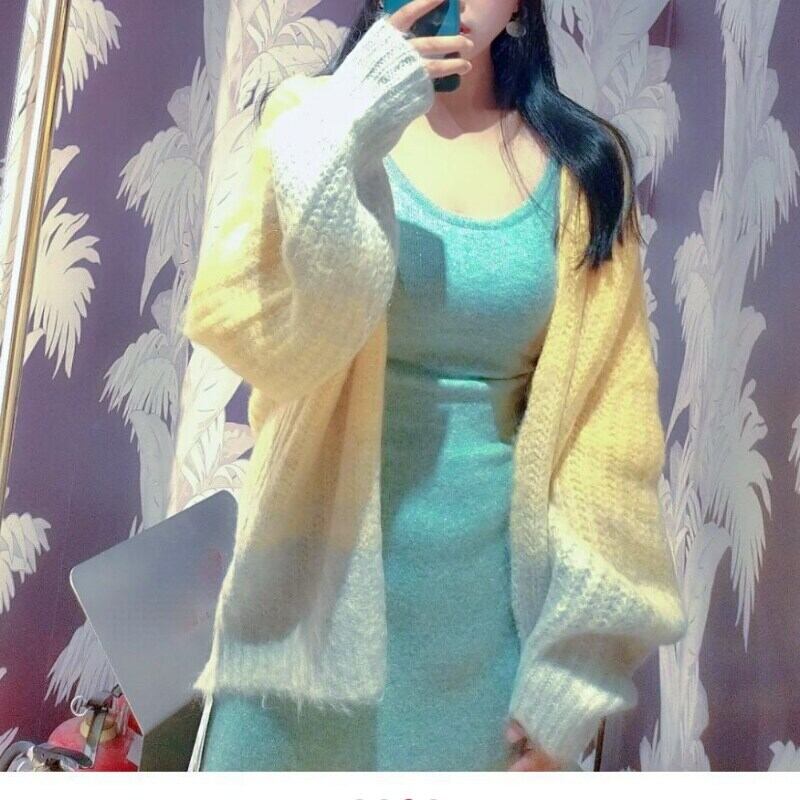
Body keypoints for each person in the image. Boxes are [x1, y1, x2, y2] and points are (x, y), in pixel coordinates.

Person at [183, 0, 688, 772]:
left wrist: (575, 673)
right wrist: (348, 123)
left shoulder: (585, 167)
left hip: (481, 636)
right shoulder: (312, 120)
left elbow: (608, 439)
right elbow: (260, 340)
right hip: (300, 618)